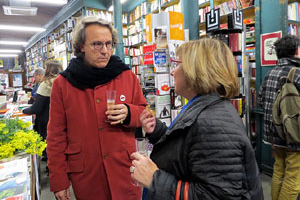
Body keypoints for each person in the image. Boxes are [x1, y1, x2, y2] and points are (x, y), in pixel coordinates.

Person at [131, 38, 264, 200]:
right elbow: (191, 148)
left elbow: (217, 196)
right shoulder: (208, 108)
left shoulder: (213, 122)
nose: (172, 72)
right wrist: (158, 131)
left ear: (195, 70)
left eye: (178, 64)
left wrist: (155, 179)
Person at [46, 16, 147, 200]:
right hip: (87, 175)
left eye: (109, 44)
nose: (105, 51)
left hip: (124, 170)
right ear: (81, 46)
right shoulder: (63, 84)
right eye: (97, 44)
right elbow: (55, 136)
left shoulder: (126, 76)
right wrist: (59, 180)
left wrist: (130, 112)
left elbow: (145, 113)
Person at [258, 34, 300, 200]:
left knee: (279, 170)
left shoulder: (270, 73)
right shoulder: (297, 73)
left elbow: (261, 99)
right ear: (296, 51)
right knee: (293, 176)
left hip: (274, 134)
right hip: (294, 135)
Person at [23, 60, 63, 157]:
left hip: (46, 121)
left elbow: (36, 108)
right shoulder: (63, 81)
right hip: (61, 120)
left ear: (48, 70)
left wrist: (23, 110)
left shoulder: (46, 84)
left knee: (48, 145)